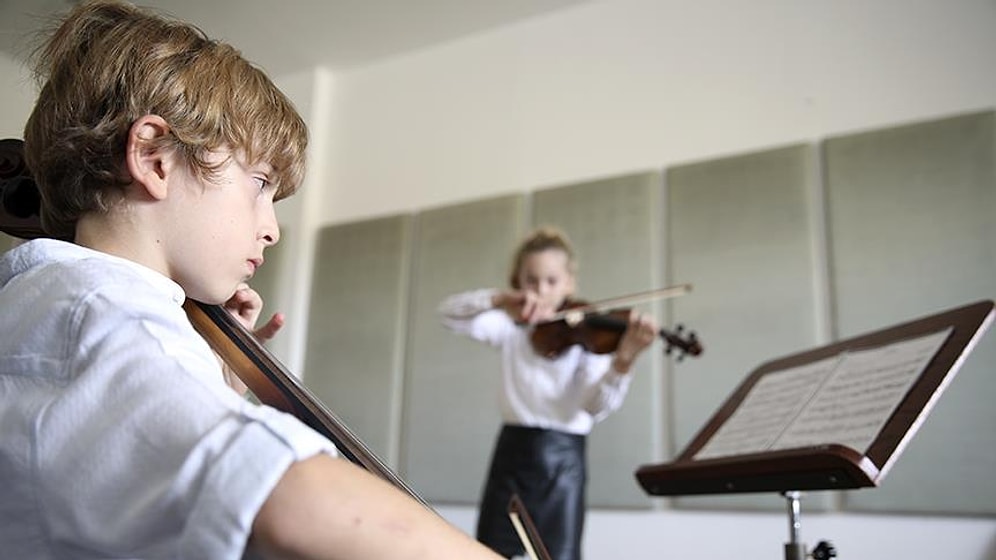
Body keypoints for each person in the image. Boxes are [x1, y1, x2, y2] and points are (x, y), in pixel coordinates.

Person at [0, 1, 503, 559]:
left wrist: (217, 383)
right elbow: (291, 498)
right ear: (154, 158)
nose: (272, 230)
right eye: (260, 183)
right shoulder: (102, 313)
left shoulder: (47, 306)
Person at [438, 227, 659, 560]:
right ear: (518, 281)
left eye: (552, 281)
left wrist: (623, 361)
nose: (541, 290)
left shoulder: (588, 338)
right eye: (531, 280)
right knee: (488, 553)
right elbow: (448, 315)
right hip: (512, 454)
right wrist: (499, 299)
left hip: (563, 464)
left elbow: (594, 407)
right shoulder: (511, 329)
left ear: (569, 282)